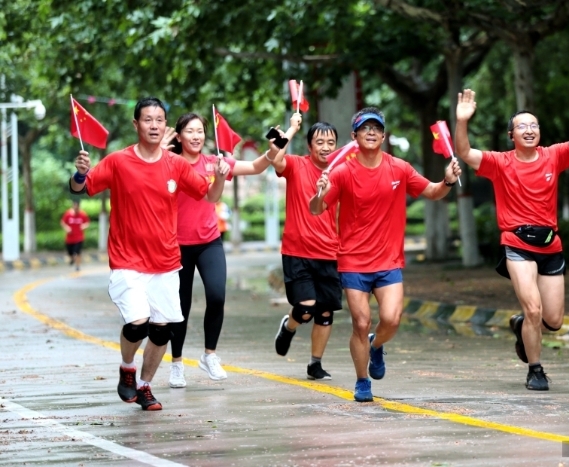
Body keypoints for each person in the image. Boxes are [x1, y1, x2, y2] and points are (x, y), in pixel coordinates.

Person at [69, 97, 231, 411]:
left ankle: (144, 386)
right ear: (136, 125)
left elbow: (209, 194)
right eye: (147, 119)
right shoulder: (118, 161)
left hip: (166, 262)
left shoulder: (176, 164)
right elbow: (82, 188)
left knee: (162, 330)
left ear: (165, 125)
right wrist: (79, 174)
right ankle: (127, 367)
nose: (154, 125)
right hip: (127, 260)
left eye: (159, 120)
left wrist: (221, 175)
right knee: (137, 324)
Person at [453, 89, 569, 391]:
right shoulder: (500, 162)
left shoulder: (554, 155)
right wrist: (462, 122)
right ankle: (535, 370)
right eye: (522, 126)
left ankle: (521, 325)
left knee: (553, 320)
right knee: (534, 309)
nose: (529, 130)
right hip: (517, 244)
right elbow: (466, 152)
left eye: (534, 125)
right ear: (511, 135)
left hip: (551, 245)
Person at [311, 107, 461, 402]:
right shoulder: (342, 172)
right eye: (365, 128)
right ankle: (362, 380)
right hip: (353, 261)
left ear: (383, 135)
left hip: (388, 261)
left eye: (376, 128)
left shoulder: (399, 168)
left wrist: (447, 181)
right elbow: (316, 209)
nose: (371, 132)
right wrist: (319, 192)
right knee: (361, 321)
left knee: (391, 319)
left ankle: (375, 346)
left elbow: (432, 192)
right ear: (354, 136)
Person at [160, 112, 282, 388]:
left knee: (217, 296)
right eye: (189, 131)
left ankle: (209, 355)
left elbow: (254, 167)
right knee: (180, 306)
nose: (196, 136)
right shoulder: (169, 162)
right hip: (176, 244)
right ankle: (176, 363)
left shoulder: (216, 162)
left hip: (208, 242)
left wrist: (271, 152)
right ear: (179, 136)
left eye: (200, 131)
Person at [271, 118, 342, 381]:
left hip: (329, 252)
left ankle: (315, 364)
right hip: (297, 251)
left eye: (331, 142)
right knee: (306, 307)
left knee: (324, 312)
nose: (326, 147)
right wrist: (291, 129)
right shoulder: (296, 164)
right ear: (309, 145)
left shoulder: (339, 171)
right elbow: (276, 159)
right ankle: (289, 326)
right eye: (320, 142)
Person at [60, 200, 90, 271]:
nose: (76, 209)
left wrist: (84, 226)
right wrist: (67, 228)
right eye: (75, 207)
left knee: (77, 252)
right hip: (69, 238)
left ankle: (77, 266)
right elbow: (62, 222)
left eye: (77, 208)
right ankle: (72, 259)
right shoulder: (68, 214)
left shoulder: (83, 214)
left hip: (79, 238)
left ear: (79, 207)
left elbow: (87, 223)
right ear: (73, 206)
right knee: (70, 252)